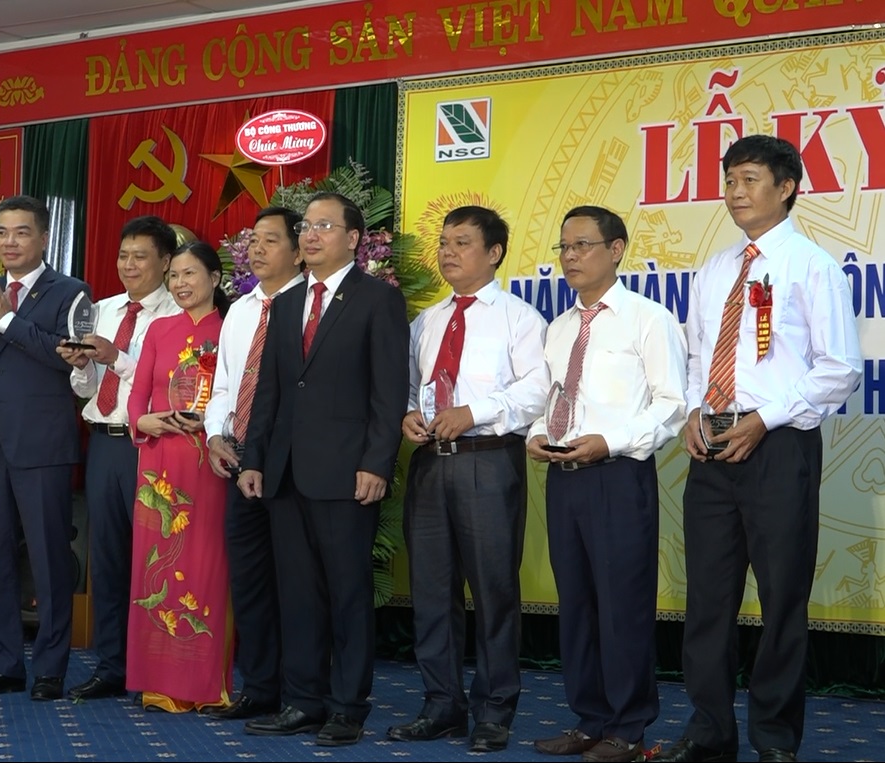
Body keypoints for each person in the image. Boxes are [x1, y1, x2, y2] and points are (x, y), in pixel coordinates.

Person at [654, 136, 861, 763]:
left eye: (748, 179)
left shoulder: (812, 266)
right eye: (729, 181)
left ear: (786, 187)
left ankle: (775, 739)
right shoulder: (716, 268)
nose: (735, 192)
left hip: (778, 447)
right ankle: (709, 731)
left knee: (781, 600)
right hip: (712, 446)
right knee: (707, 600)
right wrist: (695, 412)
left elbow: (840, 368)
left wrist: (763, 420)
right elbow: (698, 355)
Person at [239, 192, 410, 747]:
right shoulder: (287, 303)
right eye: (306, 226)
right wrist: (255, 459)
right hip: (286, 473)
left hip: (346, 474)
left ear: (354, 239)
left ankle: (347, 707)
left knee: (347, 594)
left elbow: (389, 391)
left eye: (324, 226)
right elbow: (269, 393)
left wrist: (376, 463)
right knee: (298, 594)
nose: (310, 235)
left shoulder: (378, 300)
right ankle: (303, 701)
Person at [527, 206, 688, 763]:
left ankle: (628, 728)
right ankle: (589, 719)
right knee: (577, 605)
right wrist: (537, 434)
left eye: (583, 245)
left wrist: (611, 441)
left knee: (622, 607)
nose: (570, 256)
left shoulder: (648, 319)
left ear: (616, 250)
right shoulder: (559, 328)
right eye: (564, 247)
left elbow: (672, 406)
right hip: (564, 477)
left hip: (619, 476)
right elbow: (552, 398)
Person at [389, 206, 549, 752]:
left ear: (494, 252)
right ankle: (441, 705)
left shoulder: (519, 319)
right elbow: (408, 386)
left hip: (488, 460)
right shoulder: (427, 321)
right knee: (432, 591)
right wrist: (408, 414)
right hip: (430, 463)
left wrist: (474, 412)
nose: (448, 252)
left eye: (461, 242)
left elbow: (537, 391)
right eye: (444, 243)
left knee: (493, 589)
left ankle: (494, 711)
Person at [0, 194, 90, 702]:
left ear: (44, 237)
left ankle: (50, 668)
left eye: (21, 232)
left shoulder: (71, 291)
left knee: (48, 558)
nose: (9, 242)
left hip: (42, 443)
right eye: (2, 232)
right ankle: (5, 664)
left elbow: (67, 357)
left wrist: (8, 322)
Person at [57, 216, 179, 701]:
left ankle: (159, 667)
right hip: (104, 442)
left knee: (156, 559)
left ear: (165, 262)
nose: (128, 265)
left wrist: (114, 358)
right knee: (106, 557)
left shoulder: (178, 314)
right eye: (123, 256)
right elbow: (88, 388)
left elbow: (164, 381)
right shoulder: (101, 310)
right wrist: (82, 366)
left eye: (140, 256)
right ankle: (111, 665)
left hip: (153, 444)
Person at [203, 206, 305, 720]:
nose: (257, 249)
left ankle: (302, 690)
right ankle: (260, 687)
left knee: (296, 581)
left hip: (291, 465)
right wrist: (215, 436)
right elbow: (223, 383)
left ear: (299, 250)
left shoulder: (310, 308)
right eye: (252, 240)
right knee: (249, 580)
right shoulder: (241, 310)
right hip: (238, 460)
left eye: (270, 240)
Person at [124, 241, 231, 712]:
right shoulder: (159, 329)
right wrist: (141, 422)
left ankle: (207, 684)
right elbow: (138, 393)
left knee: (208, 564)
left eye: (190, 274)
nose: (181, 283)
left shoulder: (232, 329)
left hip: (209, 460)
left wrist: (214, 426)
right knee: (156, 569)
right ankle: (159, 681)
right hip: (160, 463)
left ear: (215, 278)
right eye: (174, 276)